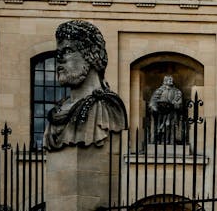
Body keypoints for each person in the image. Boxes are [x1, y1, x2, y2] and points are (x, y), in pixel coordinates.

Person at [44, 20, 128, 150]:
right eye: (58, 53)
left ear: (91, 55)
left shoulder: (106, 107)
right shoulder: (59, 110)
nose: (59, 58)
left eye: (67, 50)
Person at [148, 75, 185, 144]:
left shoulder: (177, 92)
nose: (171, 81)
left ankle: (172, 141)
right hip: (161, 113)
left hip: (172, 113)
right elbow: (152, 102)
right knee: (162, 127)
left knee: (172, 126)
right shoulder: (159, 91)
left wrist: (175, 105)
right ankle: (162, 141)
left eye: (171, 80)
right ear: (165, 81)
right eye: (169, 80)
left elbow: (180, 104)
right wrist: (155, 108)